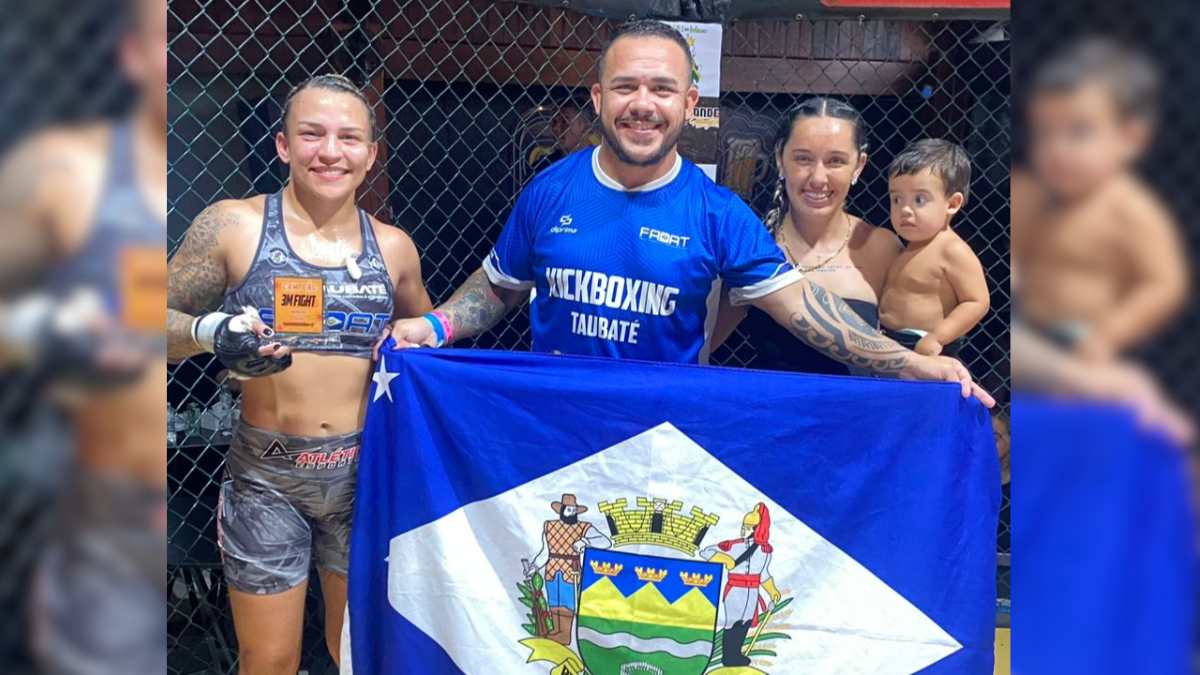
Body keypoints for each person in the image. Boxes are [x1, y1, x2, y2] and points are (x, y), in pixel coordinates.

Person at [380, 20, 992, 406]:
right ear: (599, 97)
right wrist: (432, 327)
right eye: (625, 87)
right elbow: (498, 284)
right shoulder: (550, 190)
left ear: (688, 103)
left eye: (662, 90)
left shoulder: (720, 214)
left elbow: (807, 310)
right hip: (555, 421)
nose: (642, 105)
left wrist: (914, 363)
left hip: (667, 432)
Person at [166, 74, 433, 673]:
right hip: (266, 477)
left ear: (370, 153)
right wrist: (212, 333)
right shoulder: (234, 226)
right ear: (284, 145)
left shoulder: (394, 249)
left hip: (364, 474)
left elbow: (425, 345)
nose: (330, 152)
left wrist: (413, 343)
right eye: (311, 134)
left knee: (356, 653)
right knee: (269, 660)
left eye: (348, 138)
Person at [0, 0, 167, 671]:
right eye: (167, 37)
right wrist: (58, 326)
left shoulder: (241, 218)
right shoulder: (60, 168)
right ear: (129, 56)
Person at [1021, 38, 1188, 361]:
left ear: (1129, 139)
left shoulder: (1128, 207)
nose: (1057, 149)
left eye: (1079, 132)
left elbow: (1165, 283)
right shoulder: (1049, 201)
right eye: (1045, 132)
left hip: (1094, 344)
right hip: (1040, 340)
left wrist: (1109, 335)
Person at [711, 98, 903, 375]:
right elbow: (704, 345)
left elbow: (915, 347)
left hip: (857, 414)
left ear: (859, 166)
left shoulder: (882, 247)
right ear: (780, 158)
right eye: (803, 159)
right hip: (775, 411)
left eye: (836, 161)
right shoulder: (756, 247)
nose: (818, 178)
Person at [878, 139, 990, 358]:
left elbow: (977, 301)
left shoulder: (952, 249)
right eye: (897, 199)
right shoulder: (908, 246)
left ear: (952, 204)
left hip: (926, 345)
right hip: (888, 340)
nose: (905, 210)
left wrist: (938, 337)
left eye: (919, 199)